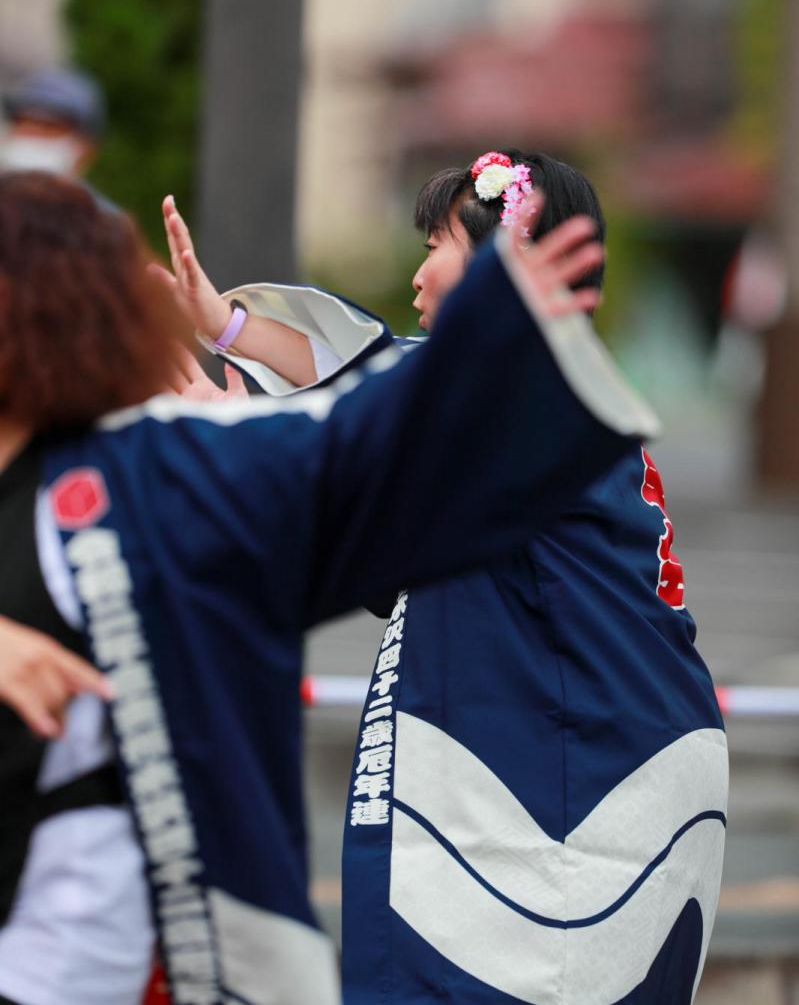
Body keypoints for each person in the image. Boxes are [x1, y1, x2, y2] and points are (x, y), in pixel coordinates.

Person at [0, 169, 651, 1005]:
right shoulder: (163, 467)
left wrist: (504, 335)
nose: (420, 273)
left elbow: (355, 436)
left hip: (101, 947)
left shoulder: (158, 472)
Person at [159, 150, 728, 1005]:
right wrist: (224, 330)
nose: (419, 275)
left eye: (439, 245)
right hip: (549, 734)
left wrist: (229, 418)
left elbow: (372, 414)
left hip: (574, 777)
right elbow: (383, 379)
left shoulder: (526, 388)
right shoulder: (524, 389)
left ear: (507, 259)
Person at [0, 69, 105, 181]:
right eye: (22, 122)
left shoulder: (88, 199)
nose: (31, 134)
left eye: (48, 126)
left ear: (86, 151)